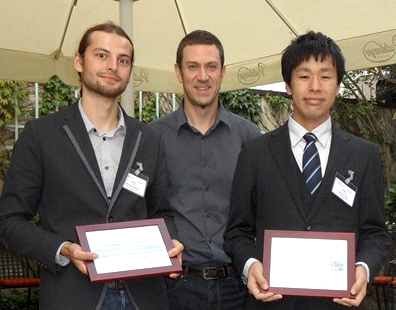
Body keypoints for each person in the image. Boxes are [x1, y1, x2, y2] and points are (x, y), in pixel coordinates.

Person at [0, 22, 183, 310]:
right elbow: (9, 222)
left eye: (123, 60)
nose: (113, 66)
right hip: (72, 296)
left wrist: (171, 241)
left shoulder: (149, 139)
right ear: (78, 61)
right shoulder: (41, 136)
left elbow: (162, 212)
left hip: (143, 296)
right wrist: (63, 249)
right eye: (101, 55)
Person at [223, 31, 391, 310]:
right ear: (288, 85)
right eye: (304, 76)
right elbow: (236, 231)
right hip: (272, 302)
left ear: (337, 85)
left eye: (325, 76)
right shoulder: (255, 153)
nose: (315, 86)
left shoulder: (364, 155)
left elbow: (375, 231)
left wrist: (363, 268)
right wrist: (250, 265)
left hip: (340, 303)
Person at [149, 30, 261, 310]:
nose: (202, 76)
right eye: (193, 66)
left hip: (238, 286)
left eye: (211, 66)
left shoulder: (248, 136)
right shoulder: (153, 138)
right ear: (178, 71)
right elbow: (144, 206)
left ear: (222, 72)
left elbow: (262, 207)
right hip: (175, 288)